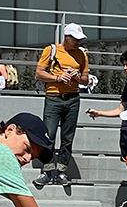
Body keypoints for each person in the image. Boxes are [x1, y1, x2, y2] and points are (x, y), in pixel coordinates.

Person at [85, 48, 127, 193]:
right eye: (124, 64)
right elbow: (121, 109)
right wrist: (99, 113)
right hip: (125, 128)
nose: (124, 68)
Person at [33, 22, 89, 187]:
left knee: (68, 137)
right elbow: (39, 73)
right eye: (75, 39)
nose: (78, 42)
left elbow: (86, 79)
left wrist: (78, 76)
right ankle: (48, 170)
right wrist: (58, 78)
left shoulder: (82, 55)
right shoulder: (51, 50)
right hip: (54, 97)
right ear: (67, 37)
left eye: (80, 39)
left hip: (73, 98)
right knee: (48, 134)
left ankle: (62, 171)